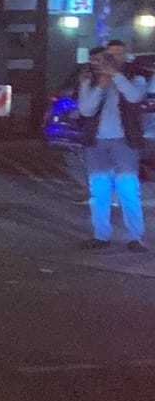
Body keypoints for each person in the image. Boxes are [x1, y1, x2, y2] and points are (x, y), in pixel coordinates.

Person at [76, 39, 147, 250]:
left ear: (125, 56)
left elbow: (134, 97)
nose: (114, 59)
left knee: (128, 189)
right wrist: (99, 86)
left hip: (125, 141)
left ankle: (135, 237)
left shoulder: (135, 77)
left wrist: (116, 76)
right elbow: (86, 110)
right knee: (99, 190)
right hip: (97, 142)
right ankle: (101, 236)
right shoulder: (92, 79)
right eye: (111, 55)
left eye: (119, 54)